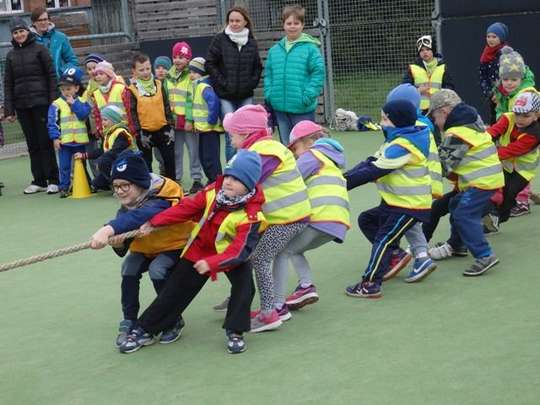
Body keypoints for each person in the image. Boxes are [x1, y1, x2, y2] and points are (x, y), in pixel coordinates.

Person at [117, 150, 266, 355]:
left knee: (245, 288)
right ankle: (144, 329)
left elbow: (239, 251)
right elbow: (185, 208)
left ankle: (235, 331)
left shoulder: (252, 216)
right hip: (200, 249)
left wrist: (212, 263)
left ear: (249, 184)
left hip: (229, 256)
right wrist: (154, 222)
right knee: (174, 290)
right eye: (228, 176)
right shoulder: (213, 191)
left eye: (237, 179)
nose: (229, 182)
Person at [90, 151, 194, 347]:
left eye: (125, 186)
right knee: (128, 267)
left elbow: (141, 216)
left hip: (174, 245)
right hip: (146, 248)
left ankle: (172, 318)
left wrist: (107, 229)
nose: (119, 191)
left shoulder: (162, 196)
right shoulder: (128, 204)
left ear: (140, 183)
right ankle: (129, 319)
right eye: (116, 186)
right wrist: (118, 242)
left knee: (158, 269)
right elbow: (124, 235)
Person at [223, 104, 311, 332]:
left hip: (287, 218)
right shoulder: (265, 147)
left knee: (260, 258)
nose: (230, 139)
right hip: (290, 216)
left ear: (245, 134)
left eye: (232, 134)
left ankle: (269, 313)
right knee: (263, 255)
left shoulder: (262, 153)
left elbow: (244, 182)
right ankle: (267, 305)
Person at [344, 100, 433, 298]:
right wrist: (342, 178)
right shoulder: (397, 138)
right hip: (395, 202)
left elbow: (374, 170)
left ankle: (370, 284)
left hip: (409, 205)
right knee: (367, 220)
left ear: (398, 122)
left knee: (384, 239)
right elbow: (371, 161)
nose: (381, 123)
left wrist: (342, 185)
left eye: (385, 119)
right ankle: (395, 255)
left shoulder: (403, 145)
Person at [273, 122, 350, 314]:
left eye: (295, 149)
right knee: (295, 250)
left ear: (309, 142)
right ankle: (305, 287)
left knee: (282, 250)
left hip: (320, 216)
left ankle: (278, 303)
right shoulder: (331, 160)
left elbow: (291, 180)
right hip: (337, 222)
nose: (295, 154)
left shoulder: (311, 155)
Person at [428, 91, 504, 276]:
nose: (436, 123)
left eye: (435, 117)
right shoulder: (472, 122)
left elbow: (444, 167)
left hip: (481, 182)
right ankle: (457, 244)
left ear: (445, 112)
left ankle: (484, 255)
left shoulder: (457, 133)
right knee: (456, 205)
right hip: (486, 180)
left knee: (464, 214)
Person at [382, 83, 441, 283]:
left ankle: (419, 257)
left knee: (408, 224)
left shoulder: (414, 129)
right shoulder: (419, 126)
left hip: (414, 186)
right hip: (420, 185)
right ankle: (415, 256)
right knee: (410, 225)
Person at [3, 17, 59, 195]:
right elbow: (8, 83)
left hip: (42, 103)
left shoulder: (40, 50)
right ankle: (38, 180)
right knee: (32, 144)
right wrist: (9, 110)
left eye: (21, 31)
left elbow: (51, 76)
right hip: (22, 106)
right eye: (15, 32)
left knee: (45, 142)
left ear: (28, 31)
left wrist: (53, 101)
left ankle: (53, 179)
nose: (19, 35)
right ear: (13, 35)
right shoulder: (11, 55)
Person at [205, 5, 263, 161]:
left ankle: (245, 165)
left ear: (245, 22)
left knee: (246, 132)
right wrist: (222, 82)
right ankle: (231, 169)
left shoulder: (251, 42)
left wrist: (250, 83)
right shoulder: (220, 39)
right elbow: (210, 63)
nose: (234, 23)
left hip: (245, 95)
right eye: (231, 20)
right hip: (225, 95)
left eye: (238, 20)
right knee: (232, 132)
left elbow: (257, 66)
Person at [264, 4, 326, 145]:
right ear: (283, 25)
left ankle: (307, 168)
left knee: (305, 145)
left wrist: (308, 95)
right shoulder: (275, 50)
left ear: (302, 25)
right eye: (289, 23)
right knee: (287, 144)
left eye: (296, 23)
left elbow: (318, 73)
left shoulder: (310, 49)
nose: (292, 26)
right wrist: (270, 94)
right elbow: (269, 74)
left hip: (302, 107)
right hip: (280, 107)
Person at [483, 91, 540, 231]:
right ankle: (491, 216)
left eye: (526, 115)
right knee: (494, 187)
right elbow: (492, 132)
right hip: (505, 164)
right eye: (517, 114)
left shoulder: (536, 132)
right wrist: (480, 143)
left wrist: (484, 155)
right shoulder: (508, 118)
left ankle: (500, 218)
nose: (519, 119)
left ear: (537, 115)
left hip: (523, 171)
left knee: (509, 194)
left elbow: (512, 150)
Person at [126, 53, 176, 179]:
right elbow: (132, 112)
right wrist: (138, 132)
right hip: (145, 133)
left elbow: (166, 105)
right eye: (141, 70)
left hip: (163, 129)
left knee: (169, 161)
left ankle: (172, 187)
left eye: (148, 68)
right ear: (134, 71)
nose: (145, 72)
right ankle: (148, 188)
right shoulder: (132, 89)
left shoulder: (159, 84)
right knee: (146, 164)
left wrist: (170, 125)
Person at [165, 41, 204, 193]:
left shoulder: (191, 76)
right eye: (175, 57)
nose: (178, 60)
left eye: (181, 57)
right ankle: (177, 179)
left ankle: (196, 179)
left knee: (193, 150)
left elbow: (190, 98)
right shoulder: (168, 76)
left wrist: (189, 119)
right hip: (173, 121)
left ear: (188, 59)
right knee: (176, 152)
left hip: (188, 121)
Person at [47, 67, 91, 198]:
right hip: (64, 142)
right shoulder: (56, 104)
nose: (66, 92)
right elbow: (52, 122)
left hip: (80, 141)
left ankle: (86, 184)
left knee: (81, 165)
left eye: (69, 89)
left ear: (76, 88)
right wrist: (55, 138)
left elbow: (83, 115)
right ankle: (64, 187)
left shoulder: (82, 101)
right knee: (64, 167)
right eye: (63, 89)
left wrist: (74, 104)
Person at [74, 105, 136, 190]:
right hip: (115, 162)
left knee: (104, 161)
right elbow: (102, 150)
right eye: (102, 120)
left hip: (127, 163)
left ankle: (120, 184)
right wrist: (84, 155)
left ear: (114, 120)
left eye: (105, 120)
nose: (102, 123)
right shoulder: (109, 133)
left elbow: (116, 151)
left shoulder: (121, 132)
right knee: (96, 184)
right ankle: (113, 182)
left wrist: (101, 161)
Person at [186, 57, 223, 184]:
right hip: (204, 129)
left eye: (194, 72)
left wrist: (211, 121)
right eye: (190, 72)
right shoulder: (198, 85)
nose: (191, 75)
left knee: (210, 157)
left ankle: (215, 180)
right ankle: (212, 179)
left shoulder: (203, 86)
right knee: (204, 156)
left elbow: (214, 102)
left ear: (201, 73)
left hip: (209, 129)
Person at [403, 34, 454, 114]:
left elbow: (449, 87)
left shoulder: (442, 67)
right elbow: (405, 89)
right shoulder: (412, 68)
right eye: (422, 50)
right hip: (419, 112)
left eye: (427, 49)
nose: (425, 52)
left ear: (433, 51)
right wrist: (417, 90)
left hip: (438, 110)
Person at [30, 6, 78, 78]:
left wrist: (62, 72)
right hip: (38, 84)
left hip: (58, 83)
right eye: (39, 20)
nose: (43, 22)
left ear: (49, 20)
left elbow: (72, 61)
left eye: (45, 19)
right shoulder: (29, 39)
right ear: (33, 23)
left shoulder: (60, 37)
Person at [479, 22, 509, 124]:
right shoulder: (485, 55)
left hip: (507, 96)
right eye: (488, 36)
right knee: (495, 122)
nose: (490, 39)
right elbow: (483, 77)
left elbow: (510, 76)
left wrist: (500, 94)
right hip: (493, 98)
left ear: (501, 38)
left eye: (494, 37)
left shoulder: (507, 53)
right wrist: (490, 94)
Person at [90, 61, 128, 137]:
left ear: (109, 75)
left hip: (123, 129)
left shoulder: (121, 88)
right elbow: (97, 114)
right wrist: (100, 129)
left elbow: (129, 109)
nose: (98, 77)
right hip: (107, 132)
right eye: (96, 75)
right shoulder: (96, 93)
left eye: (101, 74)